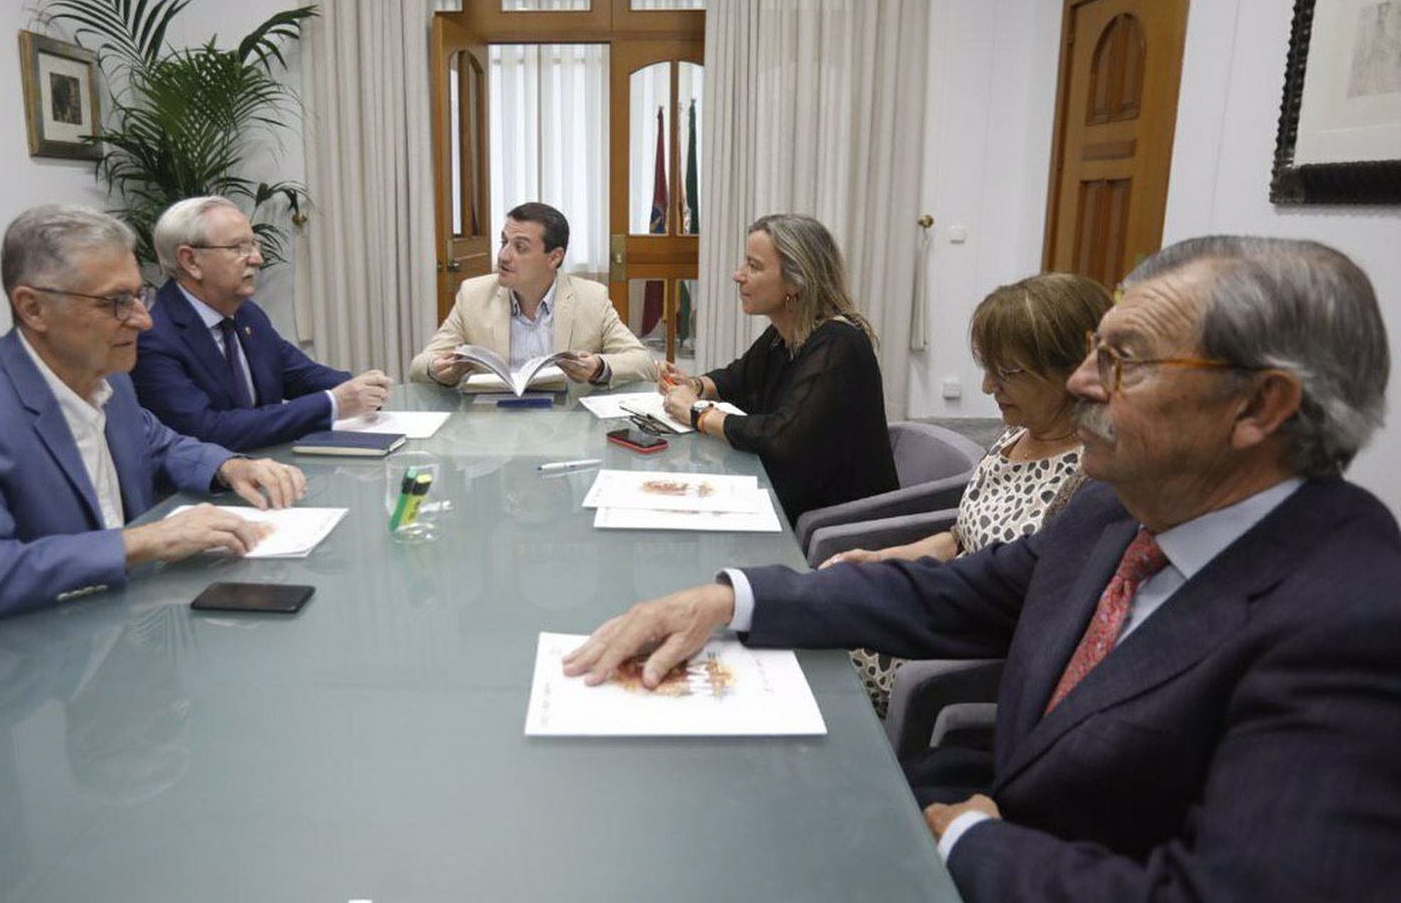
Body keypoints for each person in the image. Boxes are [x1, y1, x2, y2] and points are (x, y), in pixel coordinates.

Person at [564, 235, 1401, 903]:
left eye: (1124, 362)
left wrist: (974, 844)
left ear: (1262, 406)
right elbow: (948, 592)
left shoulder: (1352, 622)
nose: (1079, 384)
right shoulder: (1118, 511)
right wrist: (731, 597)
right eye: (1091, 354)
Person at [0, 205, 308, 644]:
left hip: (107, 627)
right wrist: (144, 542)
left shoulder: (107, 376)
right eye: (115, 303)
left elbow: (156, 441)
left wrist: (229, 467)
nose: (143, 320)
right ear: (33, 308)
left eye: (137, 296)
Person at [821, 273, 1112, 716]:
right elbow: (961, 535)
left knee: (821, 648)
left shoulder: (1091, 478)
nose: (987, 386)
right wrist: (884, 559)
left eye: (1007, 372)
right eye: (988, 368)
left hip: (965, 640)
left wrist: (899, 596)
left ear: (1073, 371)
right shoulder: (1015, 435)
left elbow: (1037, 616)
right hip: (940, 602)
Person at [657, 213, 896, 526]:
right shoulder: (786, 332)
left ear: (796, 281)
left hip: (835, 524)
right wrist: (693, 384)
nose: (737, 275)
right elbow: (737, 377)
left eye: (754, 267)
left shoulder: (838, 346)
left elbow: (780, 437)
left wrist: (698, 413)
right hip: (790, 498)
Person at [131, 196, 391, 451]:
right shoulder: (152, 333)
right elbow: (207, 430)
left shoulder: (247, 314)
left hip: (272, 469)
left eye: (254, 245)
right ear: (190, 261)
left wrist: (362, 387)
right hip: (200, 490)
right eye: (238, 248)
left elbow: (299, 374)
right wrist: (333, 403)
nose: (257, 259)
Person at [408, 202, 656, 388]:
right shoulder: (474, 295)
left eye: (520, 247)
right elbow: (420, 364)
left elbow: (643, 362)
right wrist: (437, 369)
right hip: (492, 428)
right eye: (503, 242)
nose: (504, 256)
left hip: (565, 427)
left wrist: (598, 367)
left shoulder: (591, 298)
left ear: (554, 257)